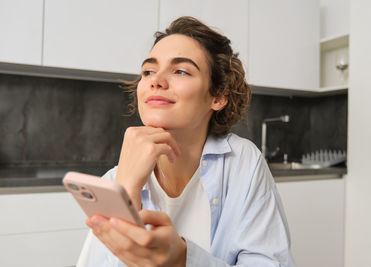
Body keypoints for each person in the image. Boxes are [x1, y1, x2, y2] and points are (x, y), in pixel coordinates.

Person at [77, 16, 295, 267]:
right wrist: (126, 193)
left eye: (180, 70)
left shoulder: (243, 163)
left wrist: (183, 259)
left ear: (217, 96)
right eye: (148, 71)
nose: (155, 80)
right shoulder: (114, 181)